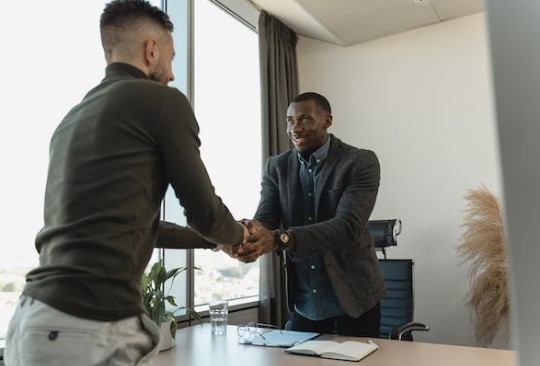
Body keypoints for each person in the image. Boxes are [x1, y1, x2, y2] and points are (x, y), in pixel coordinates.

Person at [5, 1, 247, 365]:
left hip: (32, 320)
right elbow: (204, 211)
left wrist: (215, 244)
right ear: (152, 50)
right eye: (171, 57)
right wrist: (240, 236)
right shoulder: (162, 101)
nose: (172, 74)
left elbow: (140, 226)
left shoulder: (72, 119)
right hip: (87, 325)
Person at [232, 92, 385, 337]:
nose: (295, 128)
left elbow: (347, 227)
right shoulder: (276, 167)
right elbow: (266, 219)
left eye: (305, 119)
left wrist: (281, 239)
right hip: (306, 301)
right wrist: (243, 234)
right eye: (290, 120)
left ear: (327, 120)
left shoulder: (359, 162)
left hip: (355, 298)